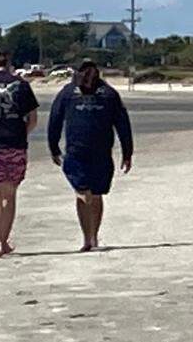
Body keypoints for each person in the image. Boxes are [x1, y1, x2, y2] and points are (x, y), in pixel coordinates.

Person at [47, 59, 133, 252]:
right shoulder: (68, 93)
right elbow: (55, 120)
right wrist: (53, 147)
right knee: (85, 194)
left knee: (95, 195)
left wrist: (128, 152)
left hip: (99, 153)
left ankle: (92, 236)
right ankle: (88, 237)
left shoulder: (108, 94)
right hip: (77, 153)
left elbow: (122, 123)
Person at [0, 51, 39, 258]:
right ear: (8, 63)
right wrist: (21, 134)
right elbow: (32, 118)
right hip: (16, 145)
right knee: (9, 193)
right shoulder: (21, 84)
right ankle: (3, 241)